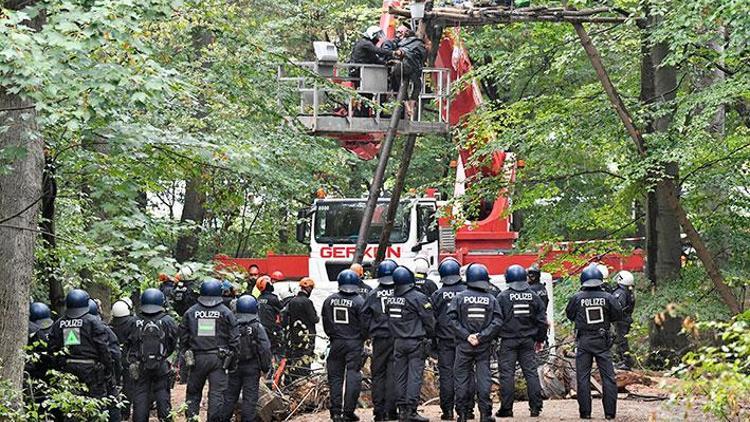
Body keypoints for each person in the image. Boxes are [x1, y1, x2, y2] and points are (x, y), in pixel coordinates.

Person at [566, 264, 623, 420]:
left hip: (584, 341)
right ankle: (610, 414)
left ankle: (585, 413)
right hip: (602, 341)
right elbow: (617, 315)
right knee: (608, 377)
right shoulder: (608, 297)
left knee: (582, 377)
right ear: (600, 280)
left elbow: (570, 315)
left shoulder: (576, 298)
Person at [179, 279, 240, 422]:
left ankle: (192, 419)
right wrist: (233, 362)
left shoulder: (191, 312)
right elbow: (235, 340)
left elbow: (182, 336)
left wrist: (187, 352)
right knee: (217, 394)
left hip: (197, 359)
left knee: (193, 394)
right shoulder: (226, 313)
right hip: (219, 360)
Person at [448, 263, 503, 422]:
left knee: (461, 379)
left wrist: (466, 336)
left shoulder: (459, 298)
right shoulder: (491, 299)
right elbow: (498, 321)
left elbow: (451, 320)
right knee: (484, 378)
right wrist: (481, 336)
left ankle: (463, 414)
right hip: (483, 346)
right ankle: (485, 414)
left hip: (464, 346)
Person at [495, 264, 548, 418]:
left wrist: (495, 337)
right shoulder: (534, 296)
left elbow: (497, 321)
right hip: (527, 341)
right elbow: (542, 321)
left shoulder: (503, 297)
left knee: (507, 375)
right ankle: (535, 408)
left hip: (508, 341)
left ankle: (506, 409)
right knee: (531, 373)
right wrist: (539, 339)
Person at [47, 290, 113, 411]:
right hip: (92, 372)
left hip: (68, 371)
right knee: (96, 406)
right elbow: (103, 348)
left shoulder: (59, 323)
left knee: (70, 407)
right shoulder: (94, 322)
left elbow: (52, 349)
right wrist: (108, 369)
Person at [386, 266, 435, 422]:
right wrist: (431, 336)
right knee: (414, 377)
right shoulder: (418, 297)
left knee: (399, 376)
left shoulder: (391, 298)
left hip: (398, 342)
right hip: (415, 342)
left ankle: (402, 411)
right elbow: (430, 321)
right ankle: (411, 411)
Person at [322, 270, 368, 422]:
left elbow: (326, 323)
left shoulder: (329, 300)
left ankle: (336, 412)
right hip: (354, 343)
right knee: (353, 375)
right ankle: (348, 412)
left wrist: (333, 336)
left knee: (335, 377)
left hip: (336, 343)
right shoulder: (360, 301)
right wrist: (362, 339)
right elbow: (365, 326)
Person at [128, 289, 178, 422]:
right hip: (161, 364)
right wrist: (165, 355)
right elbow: (174, 342)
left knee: (140, 394)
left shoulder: (134, 321)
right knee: (162, 392)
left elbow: (128, 343)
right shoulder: (168, 321)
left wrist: (134, 359)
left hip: (140, 365)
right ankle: (166, 419)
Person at [224, 295, 272, 422]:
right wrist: (265, 367)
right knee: (250, 398)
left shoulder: (232, 325)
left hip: (234, 365)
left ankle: (223, 418)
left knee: (229, 396)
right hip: (252, 366)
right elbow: (265, 348)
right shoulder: (257, 327)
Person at [362, 259, 399, 421]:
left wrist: (369, 332)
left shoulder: (372, 294)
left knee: (378, 374)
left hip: (379, 339)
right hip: (397, 337)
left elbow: (364, 316)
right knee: (393, 373)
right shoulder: (400, 292)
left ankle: (379, 412)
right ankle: (391, 411)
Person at [430, 258, 467, 420]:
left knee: (446, 375)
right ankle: (466, 410)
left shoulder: (437, 295)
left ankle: (448, 411)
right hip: (465, 340)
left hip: (444, 341)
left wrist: (433, 341)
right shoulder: (467, 292)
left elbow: (432, 320)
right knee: (465, 374)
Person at [89, 299, 123, 422]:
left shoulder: (62, 324)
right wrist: (114, 376)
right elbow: (114, 354)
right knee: (111, 403)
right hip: (98, 376)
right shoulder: (100, 326)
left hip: (71, 377)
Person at [283, 277, 319, 383]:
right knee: (306, 357)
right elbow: (314, 319)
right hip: (307, 336)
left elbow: (286, 316)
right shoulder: (307, 302)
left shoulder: (292, 301)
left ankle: (293, 380)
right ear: (309, 289)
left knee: (296, 357)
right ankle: (303, 381)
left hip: (294, 336)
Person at [390, 26, 426, 117]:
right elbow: (421, 54)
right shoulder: (417, 43)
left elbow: (402, 52)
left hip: (400, 68)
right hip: (411, 67)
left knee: (401, 87)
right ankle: (410, 105)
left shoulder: (402, 43)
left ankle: (407, 106)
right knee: (418, 85)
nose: (398, 35)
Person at [110, 299, 136, 420]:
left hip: (112, 358)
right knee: (128, 386)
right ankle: (125, 412)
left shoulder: (109, 324)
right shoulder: (132, 322)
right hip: (127, 358)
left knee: (112, 385)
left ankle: (116, 410)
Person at [611, 270, 636, 370]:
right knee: (621, 340)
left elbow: (617, 307)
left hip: (621, 320)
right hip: (625, 319)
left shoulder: (620, 293)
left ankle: (626, 362)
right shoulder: (629, 291)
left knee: (622, 341)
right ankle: (623, 360)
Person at [256, 275, 284, 360]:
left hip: (261, 329)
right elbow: (282, 309)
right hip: (272, 329)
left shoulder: (258, 299)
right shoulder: (273, 299)